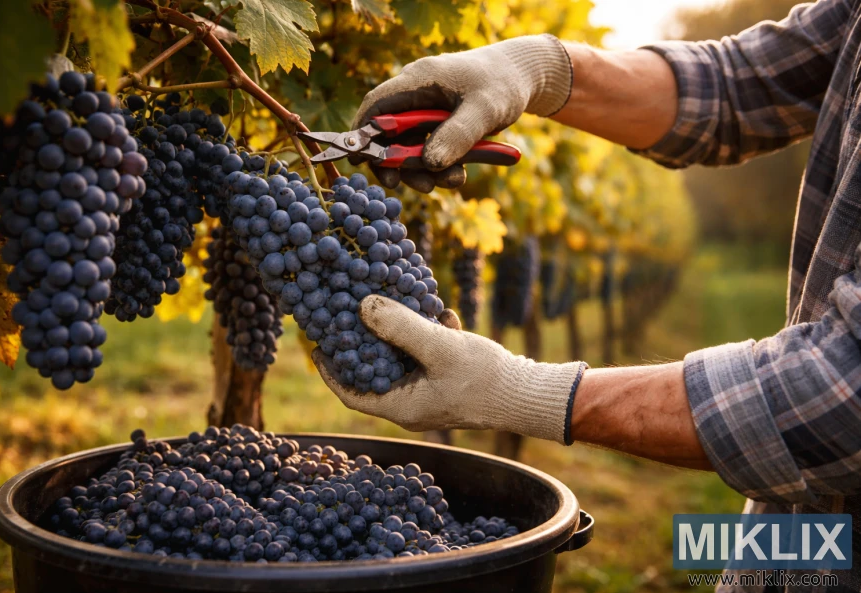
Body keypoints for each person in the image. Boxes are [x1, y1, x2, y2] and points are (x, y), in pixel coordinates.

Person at [313, 0, 861, 589]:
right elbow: (736, 85)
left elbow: (845, 393)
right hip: (798, 532)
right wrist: (537, 68)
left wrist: (523, 393)